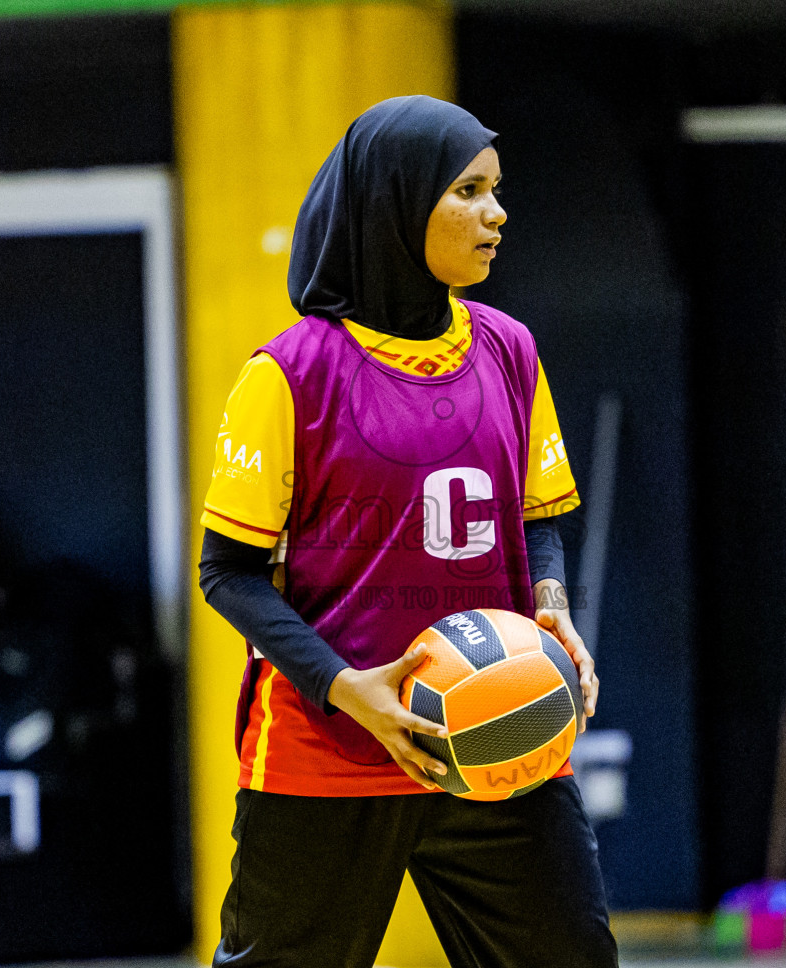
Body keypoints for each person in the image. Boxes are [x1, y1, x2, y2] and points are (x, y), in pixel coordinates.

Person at [198, 95, 617, 967]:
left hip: (502, 733)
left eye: (496, 190)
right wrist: (351, 690)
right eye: (468, 191)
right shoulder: (289, 374)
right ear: (394, 205)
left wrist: (552, 612)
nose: (496, 213)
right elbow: (227, 574)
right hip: (329, 751)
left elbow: (538, 518)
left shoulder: (509, 349)